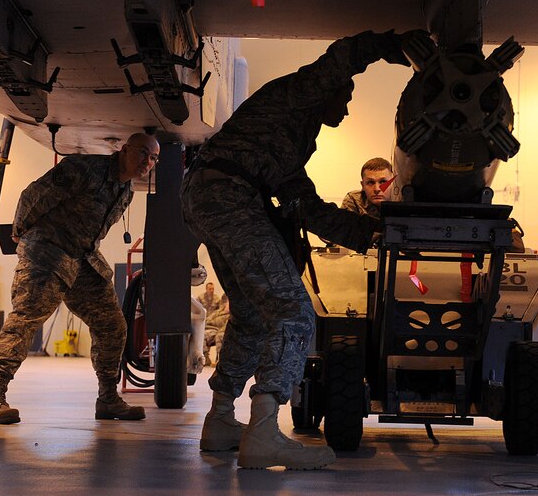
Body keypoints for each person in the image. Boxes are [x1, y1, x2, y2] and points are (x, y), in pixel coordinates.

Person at [181, 29, 424, 470]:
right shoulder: (299, 93)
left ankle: (220, 421)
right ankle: (264, 433)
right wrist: (397, 46)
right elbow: (344, 55)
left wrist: (375, 233)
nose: (346, 108)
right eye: (345, 98)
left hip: (209, 195)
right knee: (293, 310)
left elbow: (309, 208)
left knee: (253, 314)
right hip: (230, 195)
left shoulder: (292, 137)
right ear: (330, 91)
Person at [0, 133, 160, 424]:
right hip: (47, 249)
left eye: (153, 158)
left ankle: (107, 398)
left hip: (82, 256)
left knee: (113, 325)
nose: (148, 162)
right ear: (125, 149)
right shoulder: (83, 168)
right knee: (27, 318)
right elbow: (34, 195)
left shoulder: (126, 189)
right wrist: (20, 229)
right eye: (143, 153)